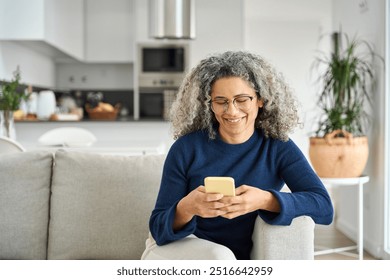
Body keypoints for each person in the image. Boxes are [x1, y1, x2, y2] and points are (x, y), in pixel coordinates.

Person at [142, 51, 334, 260]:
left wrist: (266, 200)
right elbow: (159, 230)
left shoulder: (278, 147)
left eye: (241, 99)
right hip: (181, 248)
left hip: (234, 259)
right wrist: (187, 207)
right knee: (220, 257)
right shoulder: (186, 148)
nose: (231, 111)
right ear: (210, 104)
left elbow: (323, 208)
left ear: (260, 100)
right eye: (220, 101)